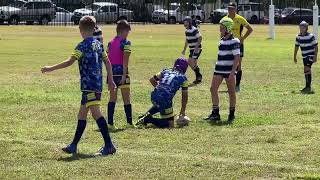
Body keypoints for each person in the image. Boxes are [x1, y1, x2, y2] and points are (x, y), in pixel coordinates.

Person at [41, 16, 116, 156]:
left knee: (96, 113)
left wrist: (50, 68)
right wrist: (110, 80)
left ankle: (109, 145)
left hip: (89, 85)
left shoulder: (81, 46)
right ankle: (73, 145)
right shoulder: (98, 44)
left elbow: (70, 62)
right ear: (94, 29)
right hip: (96, 84)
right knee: (81, 115)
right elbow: (108, 63)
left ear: (80, 29)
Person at [136, 58, 189, 128]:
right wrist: (182, 111)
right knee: (170, 125)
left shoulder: (166, 71)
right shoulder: (183, 78)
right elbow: (184, 96)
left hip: (154, 96)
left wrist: (160, 89)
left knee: (159, 102)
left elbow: (152, 80)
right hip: (165, 101)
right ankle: (148, 119)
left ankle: (144, 115)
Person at [206, 17, 240, 124]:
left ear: (228, 28)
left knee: (231, 92)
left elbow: (237, 57)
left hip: (229, 71)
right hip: (219, 69)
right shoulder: (222, 40)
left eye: (222, 27)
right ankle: (215, 113)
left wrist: (232, 72)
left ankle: (231, 113)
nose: (220, 29)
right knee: (213, 89)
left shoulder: (235, 41)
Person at [106, 20, 134, 130]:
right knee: (126, 99)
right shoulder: (126, 43)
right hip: (122, 73)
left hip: (111, 74)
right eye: (127, 31)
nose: (128, 34)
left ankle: (110, 124)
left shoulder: (110, 43)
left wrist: (109, 75)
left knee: (112, 99)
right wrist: (124, 75)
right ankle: (129, 122)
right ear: (123, 31)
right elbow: (125, 59)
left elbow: (107, 59)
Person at [226, 2, 253, 92]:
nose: (230, 10)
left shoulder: (240, 19)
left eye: (232, 8)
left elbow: (250, 29)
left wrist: (243, 38)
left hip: (238, 45)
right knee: (228, 64)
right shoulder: (225, 19)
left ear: (235, 9)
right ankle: (230, 83)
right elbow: (221, 32)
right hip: (227, 44)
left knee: (238, 64)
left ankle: (237, 85)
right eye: (229, 8)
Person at [294, 21, 318, 94]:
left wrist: (315, 57)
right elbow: (296, 47)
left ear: (306, 28)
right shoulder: (298, 37)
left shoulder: (311, 36)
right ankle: (308, 86)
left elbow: (316, 47)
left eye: (303, 27)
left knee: (306, 69)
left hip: (310, 55)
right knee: (307, 71)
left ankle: (308, 87)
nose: (301, 28)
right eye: (300, 27)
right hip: (304, 56)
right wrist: (294, 57)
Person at [182, 16, 203, 85]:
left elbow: (200, 37)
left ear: (190, 23)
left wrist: (196, 47)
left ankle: (199, 75)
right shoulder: (187, 31)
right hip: (192, 49)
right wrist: (184, 49)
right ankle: (198, 78)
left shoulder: (194, 29)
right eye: (184, 22)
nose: (185, 24)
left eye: (187, 22)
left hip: (196, 49)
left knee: (190, 62)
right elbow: (187, 41)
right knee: (194, 63)